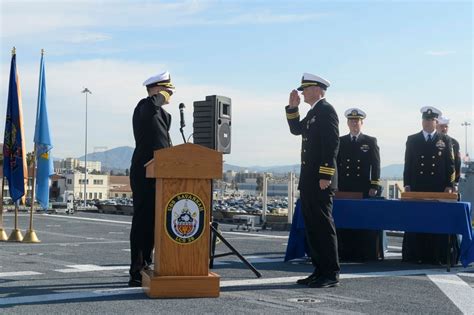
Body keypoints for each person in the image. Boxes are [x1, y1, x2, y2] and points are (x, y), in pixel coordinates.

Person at [286, 73, 340, 288]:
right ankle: (319, 270)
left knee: (323, 227)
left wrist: (326, 175)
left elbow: (332, 144)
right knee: (313, 227)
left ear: (318, 89)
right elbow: (296, 130)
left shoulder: (326, 110)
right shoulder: (314, 112)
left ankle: (331, 273)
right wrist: (292, 109)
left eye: (306, 89)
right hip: (309, 180)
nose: (303, 93)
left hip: (320, 179)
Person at [128, 71, 174, 287]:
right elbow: (150, 109)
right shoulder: (144, 106)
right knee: (142, 223)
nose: (170, 95)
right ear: (156, 89)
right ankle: (136, 270)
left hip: (163, 174)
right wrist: (161, 96)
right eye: (167, 91)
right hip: (144, 172)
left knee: (155, 224)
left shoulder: (165, 115)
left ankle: (147, 263)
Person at [402, 106, 457, 265]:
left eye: (430, 120)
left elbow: (450, 165)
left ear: (435, 121)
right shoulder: (412, 139)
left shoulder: (445, 140)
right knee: (417, 220)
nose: (427, 123)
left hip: (438, 187)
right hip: (418, 186)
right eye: (425, 120)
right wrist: (407, 184)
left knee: (436, 221)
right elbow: (408, 164)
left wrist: (449, 184)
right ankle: (415, 254)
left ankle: (435, 255)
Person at [336, 108, 383, 261]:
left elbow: (376, 165)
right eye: (351, 121)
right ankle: (344, 252)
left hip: (362, 187)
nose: (354, 123)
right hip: (344, 187)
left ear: (362, 123)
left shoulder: (369, 141)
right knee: (345, 220)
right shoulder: (340, 141)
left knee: (360, 221)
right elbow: (335, 164)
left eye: (357, 121)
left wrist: (374, 185)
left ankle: (362, 253)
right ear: (347, 123)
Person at [436, 116, 462, 188]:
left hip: (448, 182)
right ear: (436, 127)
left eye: (446, 127)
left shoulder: (454, 143)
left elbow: (457, 163)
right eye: (441, 126)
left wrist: (455, 182)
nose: (444, 129)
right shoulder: (431, 141)